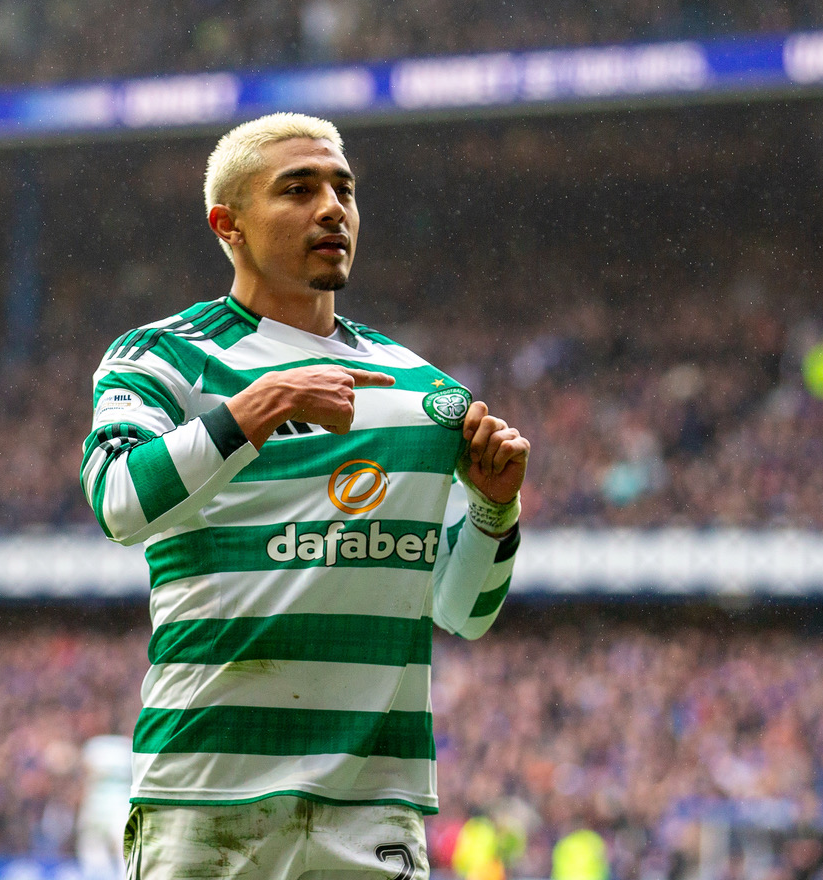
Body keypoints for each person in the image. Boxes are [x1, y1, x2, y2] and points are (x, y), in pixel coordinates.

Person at [79, 112, 530, 880]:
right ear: (230, 225)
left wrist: (493, 509)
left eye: (343, 189)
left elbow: (464, 612)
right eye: (298, 189)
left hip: (375, 806)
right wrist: (265, 403)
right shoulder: (165, 359)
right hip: (205, 798)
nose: (332, 207)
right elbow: (120, 501)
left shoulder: (425, 391)